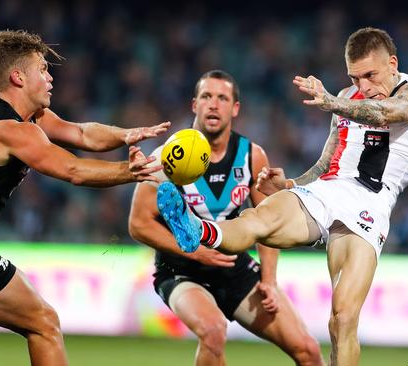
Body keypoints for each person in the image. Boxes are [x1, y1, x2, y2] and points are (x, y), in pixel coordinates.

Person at [157, 28, 408, 366]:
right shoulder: (348, 98)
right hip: (325, 191)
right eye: (355, 77)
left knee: (342, 318)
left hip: (370, 206)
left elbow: (384, 114)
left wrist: (331, 101)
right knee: (257, 219)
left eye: (369, 75)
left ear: (392, 63)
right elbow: (324, 165)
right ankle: (196, 229)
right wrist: (289, 184)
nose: (363, 87)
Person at [0, 30, 170, 366]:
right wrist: (133, 171)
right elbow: (73, 171)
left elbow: (82, 133)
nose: (51, 77)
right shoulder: (12, 132)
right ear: (18, 77)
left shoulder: (11, 117)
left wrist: (125, 134)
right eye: (43, 69)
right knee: (44, 324)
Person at [129, 70, 324, 366]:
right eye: (206, 97)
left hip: (234, 267)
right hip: (181, 270)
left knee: (308, 350)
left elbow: (268, 223)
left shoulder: (251, 156)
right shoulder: (167, 157)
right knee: (213, 331)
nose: (213, 104)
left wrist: (269, 280)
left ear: (235, 109)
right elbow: (138, 224)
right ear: (194, 105)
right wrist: (195, 252)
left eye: (222, 98)